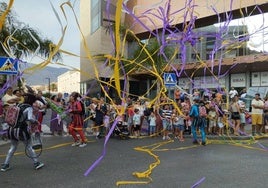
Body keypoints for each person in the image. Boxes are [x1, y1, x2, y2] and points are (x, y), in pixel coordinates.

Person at [1, 91, 44, 172]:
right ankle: (36, 163)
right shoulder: (29, 107)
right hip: (21, 130)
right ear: (32, 101)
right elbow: (30, 118)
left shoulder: (18, 105)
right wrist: (35, 121)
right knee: (29, 147)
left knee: (12, 147)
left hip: (12, 129)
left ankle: (5, 165)